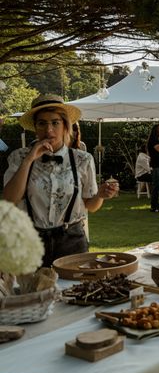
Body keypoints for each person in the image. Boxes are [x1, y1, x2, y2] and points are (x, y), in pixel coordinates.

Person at [3, 94, 118, 267]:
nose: (49, 130)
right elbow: (9, 200)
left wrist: (100, 195)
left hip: (71, 240)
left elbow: (90, 206)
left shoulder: (82, 159)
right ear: (35, 127)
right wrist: (29, 159)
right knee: (34, 292)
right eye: (42, 123)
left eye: (55, 122)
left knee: (75, 291)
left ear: (65, 126)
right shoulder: (19, 157)